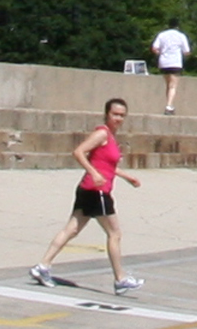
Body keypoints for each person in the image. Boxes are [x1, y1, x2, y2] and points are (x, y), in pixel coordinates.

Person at [30, 98, 145, 295]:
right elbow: (79, 152)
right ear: (107, 114)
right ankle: (120, 279)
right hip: (96, 191)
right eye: (115, 114)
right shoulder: (101, 133)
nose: (118, 118)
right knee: (114, 234)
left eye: (122, 115)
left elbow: (108, 165)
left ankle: (43, 266)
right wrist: (93, 173)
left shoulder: (110, 136)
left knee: (71, 229)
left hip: (89, 189)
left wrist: (126, 177)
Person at [150, 18, 191, 115]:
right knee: (173, 86)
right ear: (177, 26)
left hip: (163, 62)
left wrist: (160, 53)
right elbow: (186, 51)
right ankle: (169, 106)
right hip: (175, 62)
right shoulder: (181, 36)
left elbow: (154, 48)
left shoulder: (162, 35)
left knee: (168, 85)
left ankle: (170, 104)